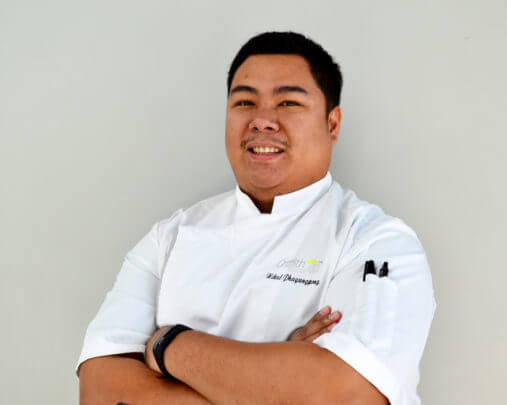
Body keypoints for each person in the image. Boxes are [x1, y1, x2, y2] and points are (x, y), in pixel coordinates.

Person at [77, 31, 436, 404]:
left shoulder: (377, 243)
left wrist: (168, 345)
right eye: (245, 102)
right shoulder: (168, 239)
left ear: (332, 124)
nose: (262, 121)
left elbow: (348, 395)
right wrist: (282, 383)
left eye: (288, 102)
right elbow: (99, 391)